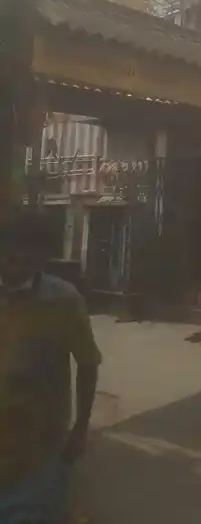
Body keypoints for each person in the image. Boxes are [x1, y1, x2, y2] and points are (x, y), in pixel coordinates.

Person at [0, 209, 102, 523]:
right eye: (12, 247)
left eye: (31, 250)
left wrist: (81, 428)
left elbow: (87, 363)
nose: (19, 256)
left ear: (44, 256)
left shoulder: (64, 302)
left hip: (38, 452)